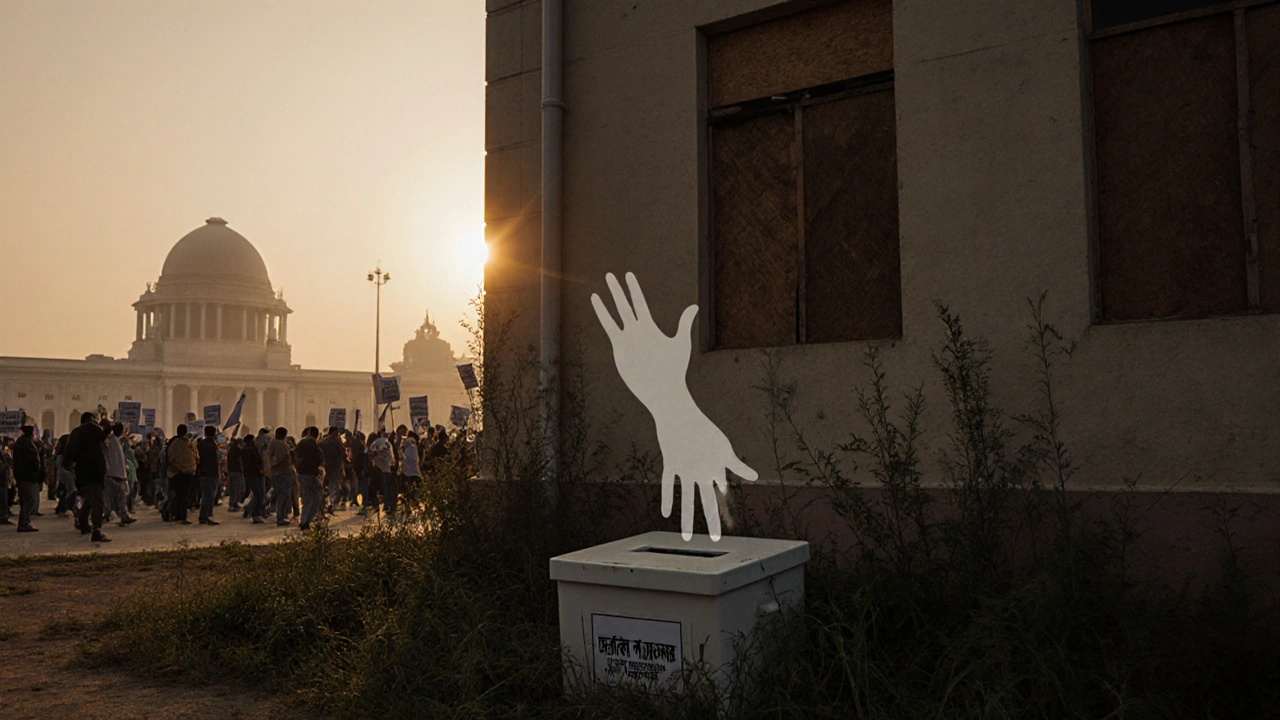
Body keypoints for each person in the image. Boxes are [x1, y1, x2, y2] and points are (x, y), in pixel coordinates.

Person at [64, 412, 111, 542]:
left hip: (81, 472)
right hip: (95, 471)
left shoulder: (75, 433)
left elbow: (68, 454)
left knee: (90, 500)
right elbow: (105, 437)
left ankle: (84, 524)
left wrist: (70, 467)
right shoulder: (94, 429)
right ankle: (96, 530)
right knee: (97, 501)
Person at [104, 423, 136, 527]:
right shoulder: (110, 441)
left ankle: (124, 515)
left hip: (119, 473)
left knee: (122, 497)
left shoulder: (117, 441)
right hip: (113, 473)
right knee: (112, 497)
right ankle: (107, 514)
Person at [12, 425, 43, 532]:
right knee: (29, 500)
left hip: (22, 476)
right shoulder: (26, 444)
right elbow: (33, 460)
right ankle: (23, 523)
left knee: (25, 499)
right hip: (27, 476)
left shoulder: (20, 443)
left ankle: (25, 521)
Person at [165, 425, 197, 525]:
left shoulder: (186, 443)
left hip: (186, 473)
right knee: (181, 496)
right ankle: (180, 515)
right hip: (179, 474)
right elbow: (172, 459)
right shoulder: (177, 443)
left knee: (182, 496)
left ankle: (179, 515)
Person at [294, 426, 323, 530]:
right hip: (311, 475)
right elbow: (320, 460)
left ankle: (303, 520)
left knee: (307, 498)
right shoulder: (314, 445)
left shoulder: (301, 443)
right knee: (315, 498)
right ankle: (306, 521)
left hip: (301, 474)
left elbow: (294, 455)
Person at [265, 427, 294, 527]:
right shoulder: (281, 445)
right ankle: (281, 517)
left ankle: (280, 514)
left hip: (275, 473)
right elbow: (278, 458)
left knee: (278, 494)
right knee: (283, 494)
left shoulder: (272, 443)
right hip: (282, 473)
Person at [239, 435, 267, 523]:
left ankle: (251, 510)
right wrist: (260, 469)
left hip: (252, 475)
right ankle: (255, 513)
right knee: (259, 494)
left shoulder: (248, 449)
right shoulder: (249, 450)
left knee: (257, 494)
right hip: (254, 475)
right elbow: (254, 462)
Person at [196, 426, 221, 525]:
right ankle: (208, 515)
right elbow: (216, 460)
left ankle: (203, 516)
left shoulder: (200, 444)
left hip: (202, 473)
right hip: (211, 474)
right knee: (210, 496)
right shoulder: (212, 445)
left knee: (205, 496)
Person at [318, 426, 346, 511]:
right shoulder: (337, 442)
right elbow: (343, 454)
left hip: (325, 466)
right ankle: (332, 503)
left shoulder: (322, 442)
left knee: (324, 485)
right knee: (334, 485)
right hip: (335, 467)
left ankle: (324, 502)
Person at [226, 434, 244, 512]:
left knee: (233, 488)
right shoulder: (237, 450)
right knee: (237, 488)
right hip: (237, 471)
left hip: (231, 471)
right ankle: (234, 504)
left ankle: (233, 503)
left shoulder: (231, 449)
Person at [400, 431, 421, 499]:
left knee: (407, 488)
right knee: (414, 488)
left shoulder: (405, 446)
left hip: (406, 470)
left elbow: (404, 458)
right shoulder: (413, 446)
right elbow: (414, 458)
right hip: (414, 470)